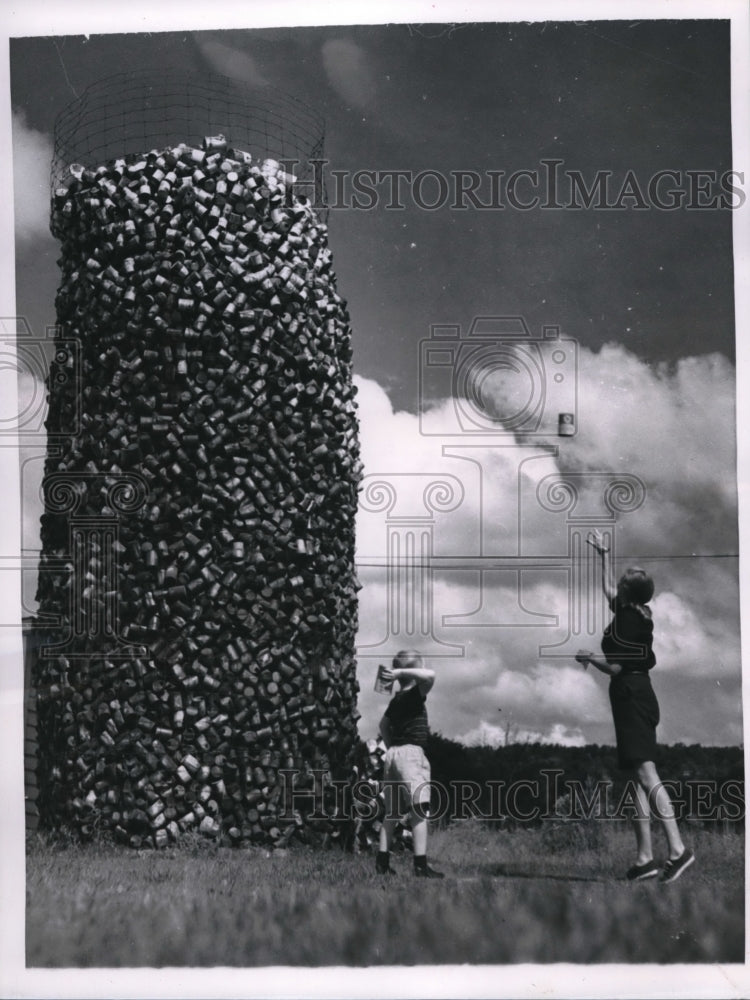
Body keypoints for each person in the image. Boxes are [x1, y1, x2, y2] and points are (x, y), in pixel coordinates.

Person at [575, 529, 694, 884]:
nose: (618, 585)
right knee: (638, 780)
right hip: (633, 694)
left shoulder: (628, 621)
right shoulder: (633, 610)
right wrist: (603, 554)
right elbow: (608, 590)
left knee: (646, 774)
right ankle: (644, 859)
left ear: (629, 592)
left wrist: (589, 657)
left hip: (631, 693)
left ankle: (677, 850)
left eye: (623, 580)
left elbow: (616, 667)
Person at [375, 650, 444, 878]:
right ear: (415, 671)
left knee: (391, 813)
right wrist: (401, 672)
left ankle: (382, 864)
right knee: (419, 812)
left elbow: (383, 726)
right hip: (412, 754)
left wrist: (392, 748)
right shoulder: (416, 694)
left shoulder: (395, 701)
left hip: (393, 754)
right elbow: (431, 675)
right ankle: (421, 865)